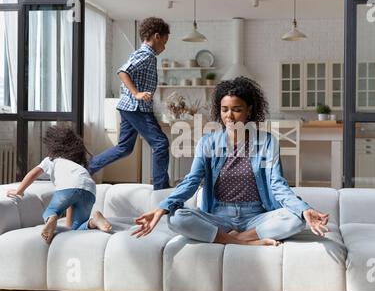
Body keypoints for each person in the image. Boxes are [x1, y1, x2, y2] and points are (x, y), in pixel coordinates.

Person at [131, 77, 329, 245]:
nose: (229, 116)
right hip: (218, 216)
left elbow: (278, 185)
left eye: (237, 109)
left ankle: (234, 239)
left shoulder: (267, 141)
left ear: (249, 110)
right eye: (225, 109)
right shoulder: (207, 142)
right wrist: (162, 207)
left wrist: (305, 210)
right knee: (175, 218)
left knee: (296, 218)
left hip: (256, 216)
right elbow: (191, 181)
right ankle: (246, 243)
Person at [88, 17, 171, 190]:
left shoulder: (146, 55)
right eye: (164, 41)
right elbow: (123, 71)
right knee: (161, 144)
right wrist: (137, 93)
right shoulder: (146, 55)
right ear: (156, 36)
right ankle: (161, 189)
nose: (164, 46)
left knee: (124, 148)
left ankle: (87, 168)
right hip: (136, 108)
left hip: (129, 107)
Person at [6, 125, 112, 244]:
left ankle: (52, 217)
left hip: (68, 188)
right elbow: (74, 198)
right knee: (76, 228)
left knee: (51, 211)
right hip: (89, 189)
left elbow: (33, 174)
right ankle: (94, 221)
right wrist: (68, 225)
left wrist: (19, 191)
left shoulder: (51, 160)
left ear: (53, 145)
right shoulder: (77, 165)